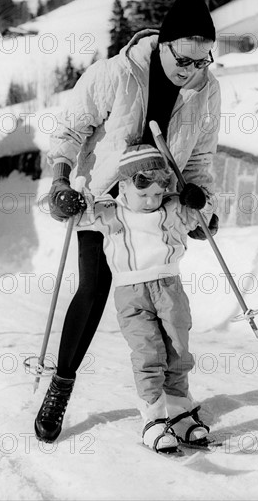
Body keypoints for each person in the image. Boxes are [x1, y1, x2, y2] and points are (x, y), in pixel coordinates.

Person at [35, 0, 221, 443]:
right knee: (95, 290)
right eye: (185, 59)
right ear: (163, 45)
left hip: (158, 210)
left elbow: (201, 160)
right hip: (105, 207)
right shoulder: (114, 74)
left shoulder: (205, 90)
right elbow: (69, 130)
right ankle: (61, 386)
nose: (192, 70)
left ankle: (172, 404)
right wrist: (61, 181)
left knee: (166, 311)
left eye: (203, 61)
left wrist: (203, 207)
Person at [76, 145, 218, 453]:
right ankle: (154, 419)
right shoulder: (109, 212)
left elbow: (206, 221)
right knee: (148, 354)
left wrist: (200, 201)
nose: (152, 201)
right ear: (124, 186)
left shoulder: (173, 208)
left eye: (157, 193)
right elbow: (75, 218)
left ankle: (180, 414)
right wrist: (69, 200)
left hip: (170, 288)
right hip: (132, 294)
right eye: (144, 195)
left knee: (178, 350)